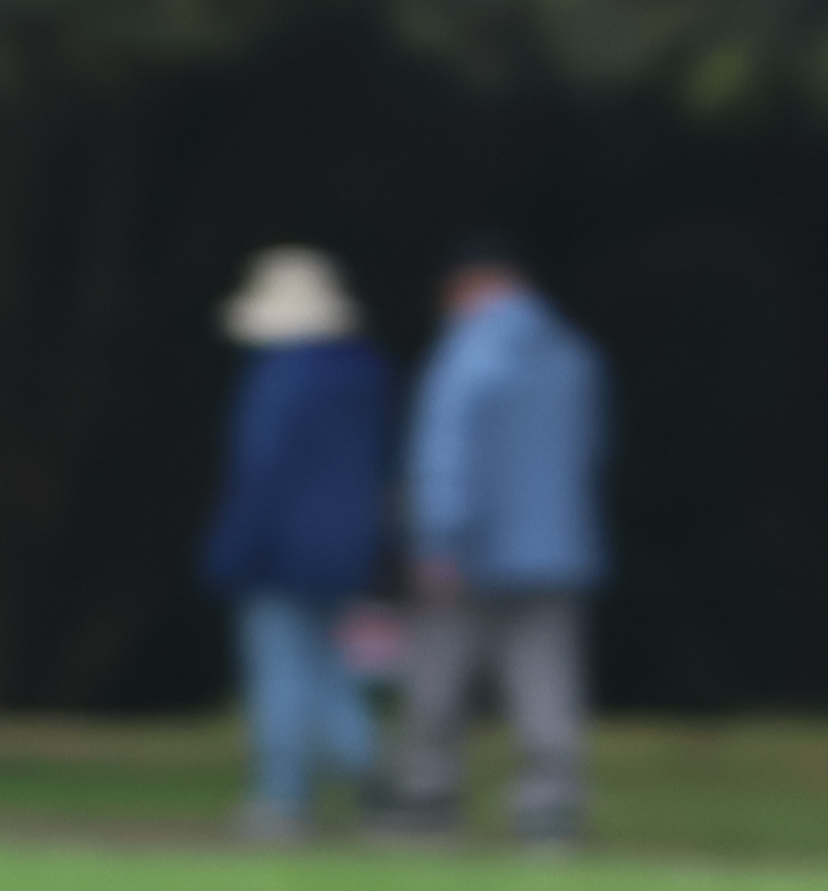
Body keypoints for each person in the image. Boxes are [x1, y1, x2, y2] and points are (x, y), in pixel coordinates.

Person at [387, 239, 603, 848]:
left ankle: (429, 791)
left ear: (470, 287)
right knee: (547, 676)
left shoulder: (466, 355)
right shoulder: (573, 355)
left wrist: (437, 540)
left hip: (473, 549)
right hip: (557, 546)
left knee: (439, 673)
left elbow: (445, 455)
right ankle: (551, 801)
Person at [198, 249, 395, 843]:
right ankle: (370, 775)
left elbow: (261, 469)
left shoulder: (280, 378)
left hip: (280, 547)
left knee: (280, 669)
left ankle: (283, 797)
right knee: (330, 666)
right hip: (348, 546)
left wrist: (232, 549)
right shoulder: (369, 375)